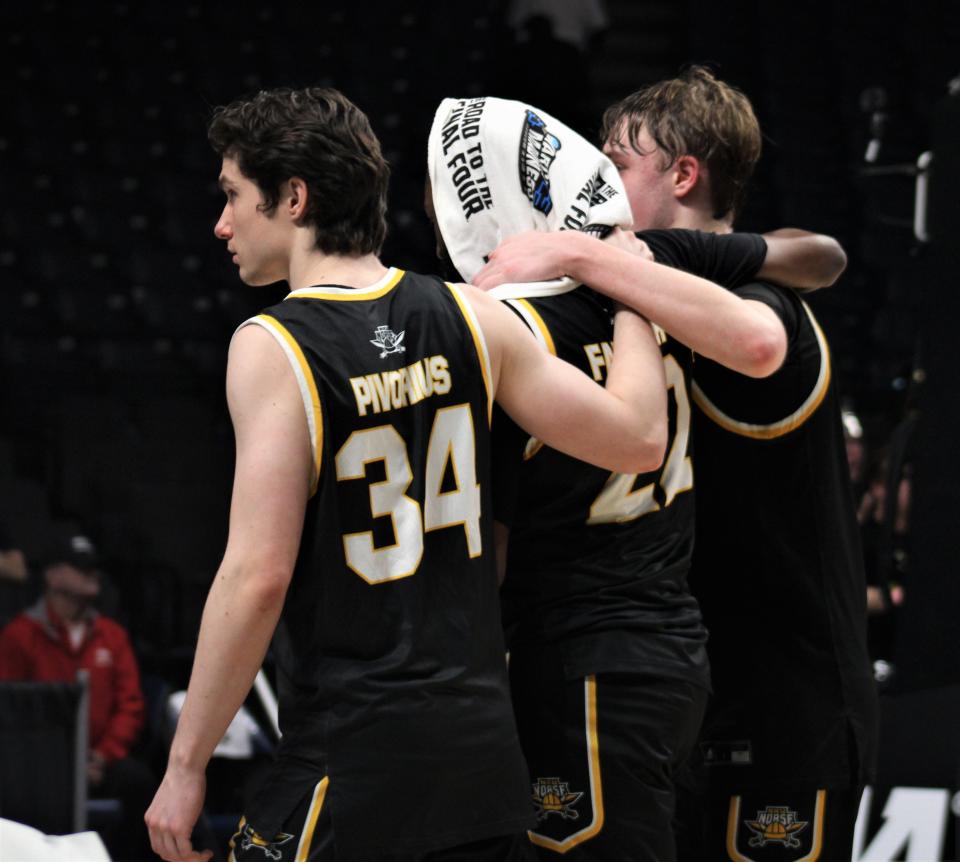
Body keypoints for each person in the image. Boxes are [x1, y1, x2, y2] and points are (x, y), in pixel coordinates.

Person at [144, 86, 671, 862]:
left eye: (232, 196)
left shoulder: (271, 344)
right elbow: (637, 438)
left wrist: (186, 765)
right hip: (483, 761)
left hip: (351, 755)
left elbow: (258, 574)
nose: (221, 223)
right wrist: (631, 289)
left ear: (293, 197)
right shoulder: (472, 315)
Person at [475, 66, 877, 862]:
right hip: (680, 675)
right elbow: (810, 250)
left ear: (683, 174)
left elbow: (778, 311)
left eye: (616, 165)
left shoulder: (759, 306)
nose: (594, 182)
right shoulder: (652, 291)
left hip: (785, 695)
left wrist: (582, 256)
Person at [0, 533, 155, 861]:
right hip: (40, 768)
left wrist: (103, 755)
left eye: (93, 568)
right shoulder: (19, 635)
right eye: (79, 567)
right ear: (53, 575)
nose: (91, 574)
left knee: (141, 783)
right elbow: (11, 712)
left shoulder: (112, 635)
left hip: (102, 762)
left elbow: (131, 705)